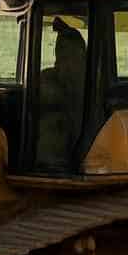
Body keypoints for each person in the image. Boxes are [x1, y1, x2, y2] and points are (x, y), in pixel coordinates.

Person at [36, 18, 87, 168]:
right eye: (63, 56)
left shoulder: (93, 82)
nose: (68, 62)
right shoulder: (46, 80)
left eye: (72, 56)